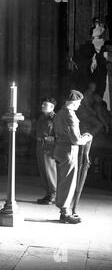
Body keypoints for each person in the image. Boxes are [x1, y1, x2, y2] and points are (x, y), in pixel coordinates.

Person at [53, 90, 93, 224]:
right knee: (68, 183)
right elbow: (75, 139)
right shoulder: (70, 115)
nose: (79, 105)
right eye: (79, 102)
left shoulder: (59, 113)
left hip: (60, 150)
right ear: (74, 102)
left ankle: (64, 210)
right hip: (69, 152)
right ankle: (65, 212)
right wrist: (86, 138)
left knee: (63, 181)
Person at [36, 97, 57, 205]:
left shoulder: (55, 119)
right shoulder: (41, 118)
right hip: (40, 146)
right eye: (42, 104)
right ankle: (48, 193)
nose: (42, 106)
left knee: (50, 171)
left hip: (50, 148)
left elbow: (58, 135)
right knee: (43, 171)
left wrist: (47, 139)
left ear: (52, 107)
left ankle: (54, 194)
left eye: (45, 104)